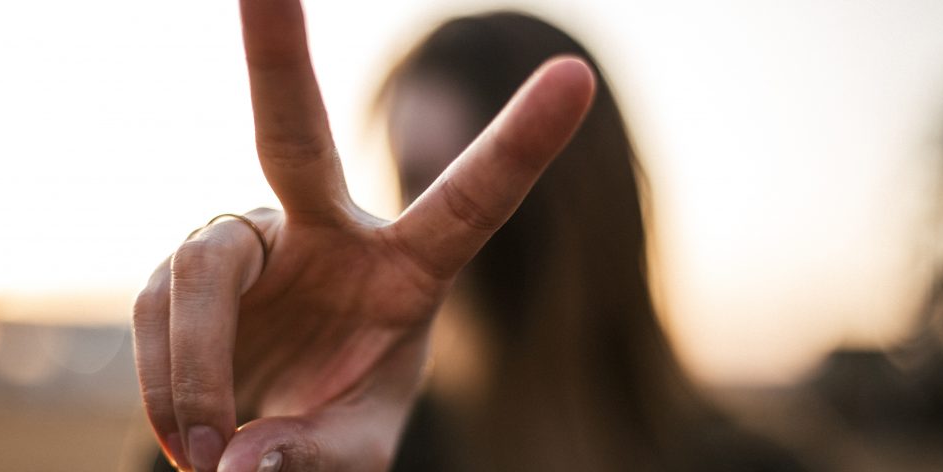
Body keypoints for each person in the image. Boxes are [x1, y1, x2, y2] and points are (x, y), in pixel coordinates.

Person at [130, 1, 596, 471]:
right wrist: (244, 419)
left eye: (501, 181)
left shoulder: (670, 445)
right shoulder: (365, 436)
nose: (443, 219)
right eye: (418, 182)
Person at [377, 12, 805, 472]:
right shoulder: (371, 452)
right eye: (416, 185)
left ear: (575, 197)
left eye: (485, 182)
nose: (439, 223)